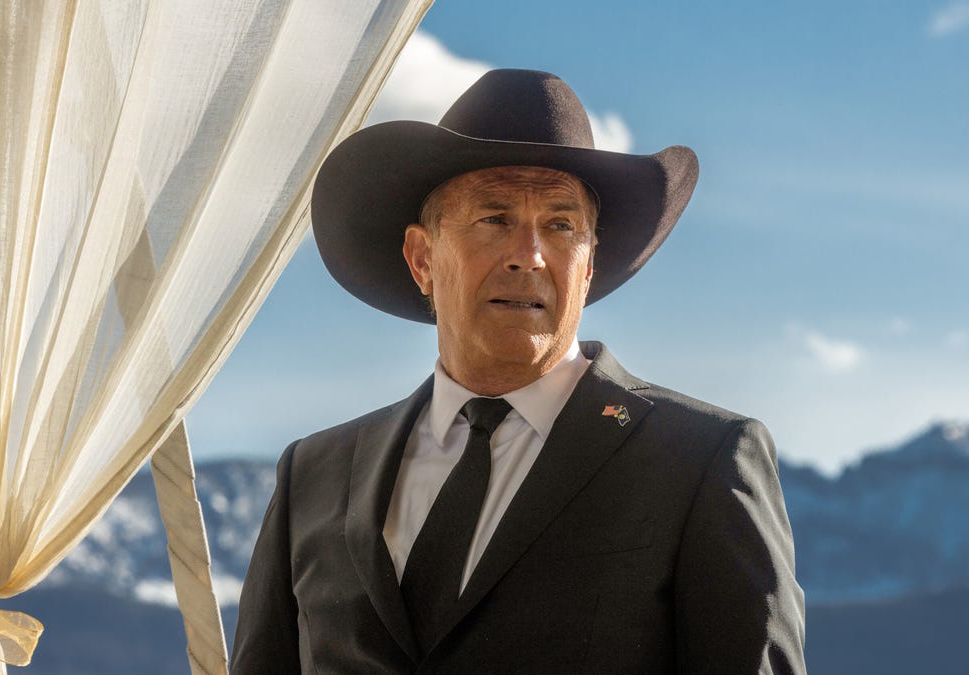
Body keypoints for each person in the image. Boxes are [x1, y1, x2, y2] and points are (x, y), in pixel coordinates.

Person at [231, 69, 806, 674]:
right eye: (494, 218)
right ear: (422, 258)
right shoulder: (313, 475)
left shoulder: (701, 462)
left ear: (588, 268)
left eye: (560, 226)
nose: (527, 255)